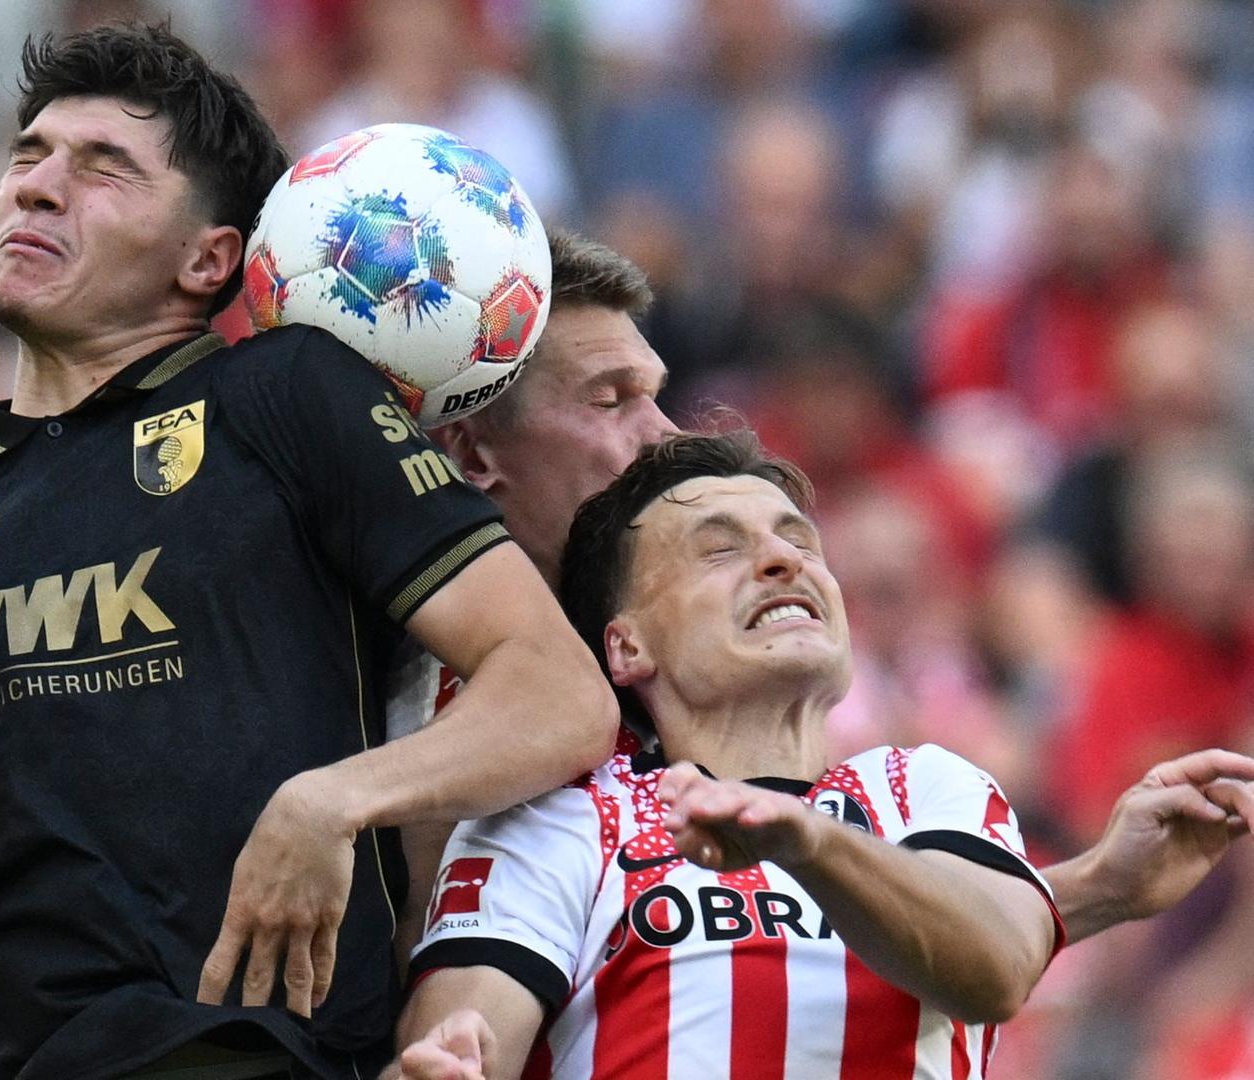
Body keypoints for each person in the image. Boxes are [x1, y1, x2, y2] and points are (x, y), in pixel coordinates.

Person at [0, 24, 618, 1080]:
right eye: (28, 157)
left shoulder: (284, 398)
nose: (38, 189)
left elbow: (558, 696)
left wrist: (333, 799)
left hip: (274, 1053)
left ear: (208, 259)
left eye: (104, 170)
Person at [393, 228, 1254, 962]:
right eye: (611, 400)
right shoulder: (399, 663)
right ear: (473, 455)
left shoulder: (846, 762)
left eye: (656, 394)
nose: (661, 433)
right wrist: (330, 803)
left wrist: (1091, 887)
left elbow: (782, 937)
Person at [389, 430, 1254, 1076]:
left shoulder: (923, 785)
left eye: (800, 540)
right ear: (626, 648)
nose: (781, 561)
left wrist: (810, 842)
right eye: (720, 548)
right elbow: (463, 1041)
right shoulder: (563, 817)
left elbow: (997, 967)